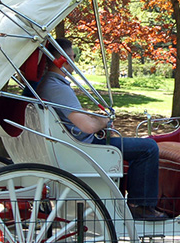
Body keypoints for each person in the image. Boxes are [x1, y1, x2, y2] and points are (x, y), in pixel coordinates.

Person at [36, 38, 167, 221]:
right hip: (83, 147)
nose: (74, 61)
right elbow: (87, 126)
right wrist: (104, 121)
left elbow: (77, 117)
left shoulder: (48, 83)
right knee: (148, 148)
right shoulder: (57, 87)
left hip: (73, 142)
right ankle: (140, 206)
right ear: (62, 59)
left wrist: (97, 120)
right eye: (72, 57)